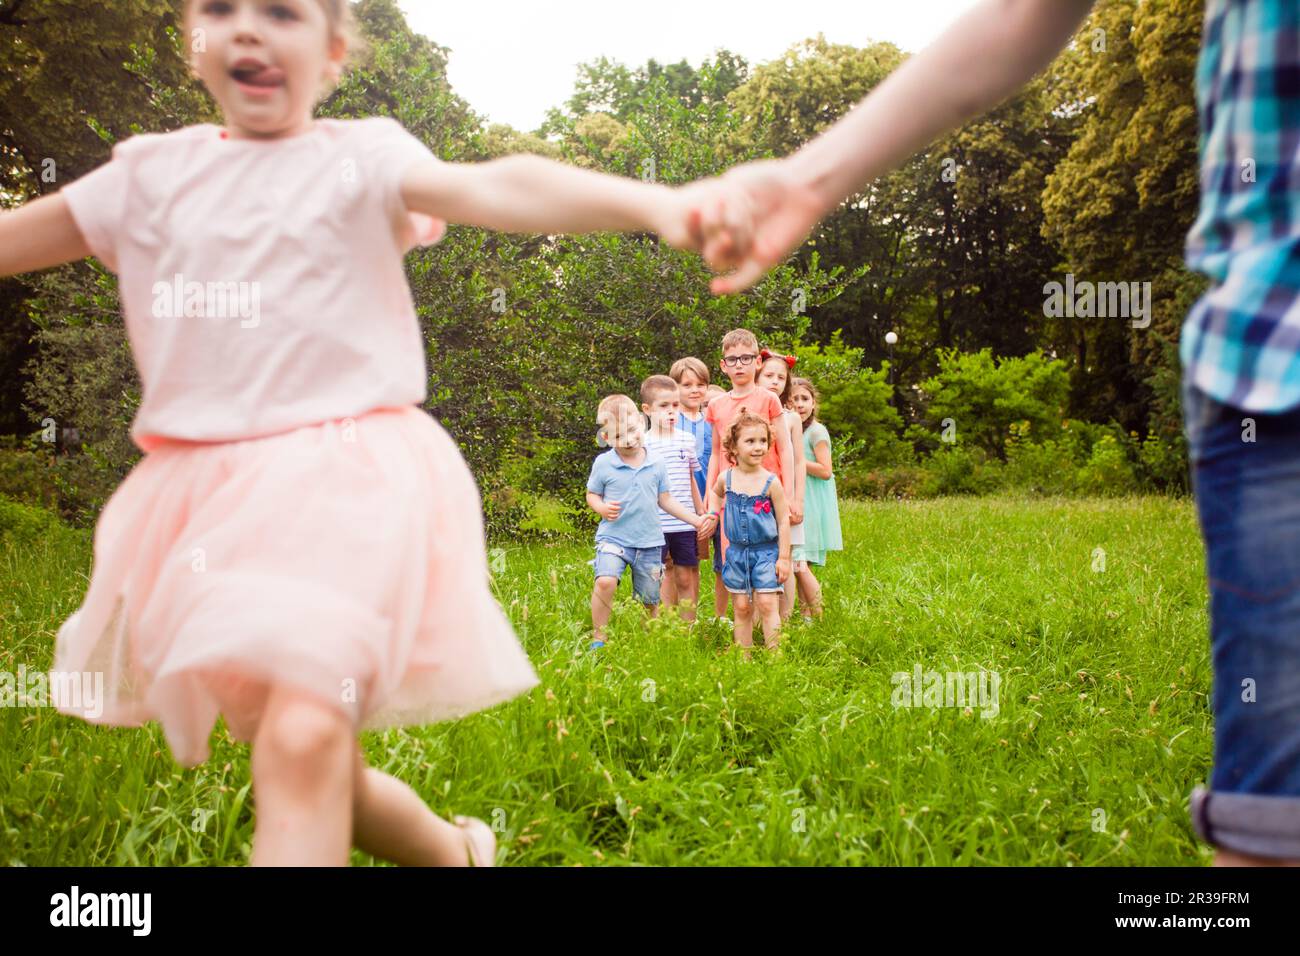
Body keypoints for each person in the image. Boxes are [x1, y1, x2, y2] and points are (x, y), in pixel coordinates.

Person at [1, 0, 741, 866]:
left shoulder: (362, 157)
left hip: (349, 488)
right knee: (306, 756)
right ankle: (455, 854)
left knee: (304, 742)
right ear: (190, 40)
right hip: (205, 514)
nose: (248, 28)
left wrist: (657, 203)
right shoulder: (146, 179)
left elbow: (498, 183)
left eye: (281, 11)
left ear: (336, 50)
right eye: (220, 9)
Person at [691, 0, 1300, 866]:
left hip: (1264, 374)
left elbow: (792, 457)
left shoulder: (787, 426)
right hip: (1272, 369)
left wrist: (791, 503)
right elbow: (1025, 16)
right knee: (1268, 822)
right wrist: (811, 178)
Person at [587, 395, 713, 647]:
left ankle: (651, 639)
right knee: (605, 581)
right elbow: (592, 493)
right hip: (614, 537)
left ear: (641, 423)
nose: (630, 439)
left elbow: (665, 500)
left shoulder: (656, 462)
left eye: (633, 430)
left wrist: (696, 520)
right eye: (620, 436)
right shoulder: (604, 463)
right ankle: (599, 636)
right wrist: (600, 507)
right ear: (607, 438)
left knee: (650, 599)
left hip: (649, 542)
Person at [707, 411, 791, 652]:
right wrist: (713, 513)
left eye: (763, 441)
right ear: (733, 447)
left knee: (766, 603)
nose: (758, 447)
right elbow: (714, 493)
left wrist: (784, 558)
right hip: (736, 554)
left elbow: (784, 520)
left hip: (766, 553)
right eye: (750, 441)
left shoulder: (771, 482)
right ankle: (743, 655)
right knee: (742, 607)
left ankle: (775, 655)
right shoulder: (727, 479)